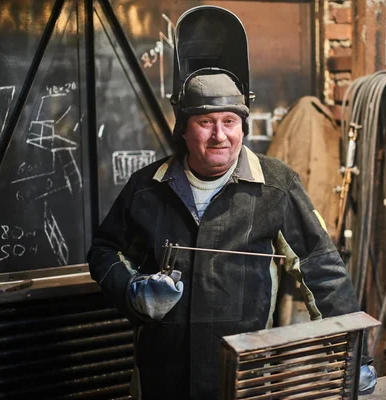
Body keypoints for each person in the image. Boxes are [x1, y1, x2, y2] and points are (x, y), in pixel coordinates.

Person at [87, 6, 361, 399]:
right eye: (205, 122)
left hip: (242, 380)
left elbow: (322, 269)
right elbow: (102, 251)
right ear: (184, 130)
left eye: (230, 121)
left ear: (243, 126)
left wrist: (354, 358)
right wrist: (133, 290)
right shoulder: (147, 188)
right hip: (161, 381)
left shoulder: (275, 186)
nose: (220, 135)